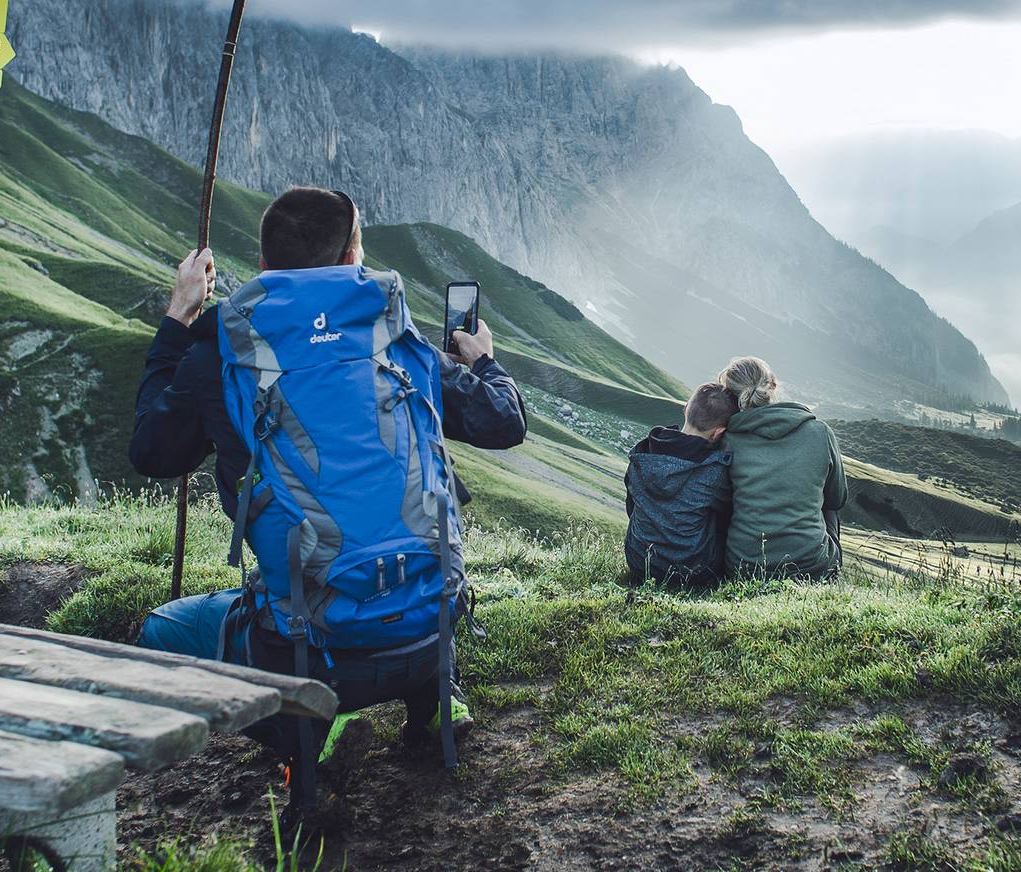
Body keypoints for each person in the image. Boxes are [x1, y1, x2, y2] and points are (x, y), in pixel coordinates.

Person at [129, 186, 526, 832]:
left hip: (308, 648)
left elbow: (151, 450)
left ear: (264, 262)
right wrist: (485, 362)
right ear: (353, 254)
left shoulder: (224, 350)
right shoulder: (395, 338)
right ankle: (430, 697)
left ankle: (302, 733)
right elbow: (503, 421)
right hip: (432, 626)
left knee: (163, 630)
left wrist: (178, 320)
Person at [717, 356, 848, 579]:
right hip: (812, 566)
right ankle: (829, 574)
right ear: (774, 384)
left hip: (745, 568)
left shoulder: (727, 440)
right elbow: (837, 498)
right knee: (829, 507)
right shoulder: (820, 432)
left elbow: (721, 502)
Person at [622, 383, 738, 587]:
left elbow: (631, 508)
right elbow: (729, 515)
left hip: (639, 562)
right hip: (694, 572)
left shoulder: (641, 454)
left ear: (685, 408)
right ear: (719, 433)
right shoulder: (714, 470)